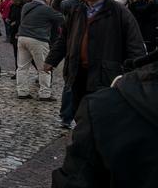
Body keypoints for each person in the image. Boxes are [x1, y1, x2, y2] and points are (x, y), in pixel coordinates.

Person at [44, 0, 145, 128]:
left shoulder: (119, 12)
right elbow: (64, 38)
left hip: (105, 73)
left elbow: (134, 45)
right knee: (80, 113)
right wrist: (52, 59)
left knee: (101, 115)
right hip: (77, 71)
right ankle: (83, 142)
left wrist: (134, 74)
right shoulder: (76, 9)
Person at [52, 49, 158, 186]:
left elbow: (134, 46)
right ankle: (66, 117)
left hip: (107, 84)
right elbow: (66, 40)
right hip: (83, 78)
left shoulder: (107, 108)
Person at [16, 0, 63, 100]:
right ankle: (45, 94)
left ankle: (22, 92)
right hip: (38, 39)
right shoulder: (46, 9)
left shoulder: (26, 6)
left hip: (22, 37)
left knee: (22, 67)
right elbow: (62, 19)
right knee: (44, 68)